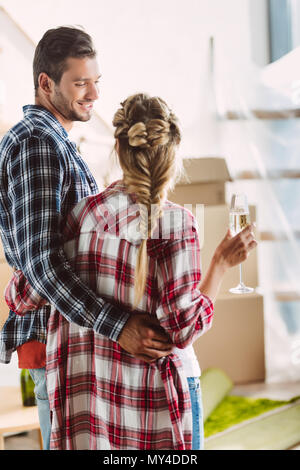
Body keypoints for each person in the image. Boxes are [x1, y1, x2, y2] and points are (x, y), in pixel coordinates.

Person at [5, 93, 257, 450]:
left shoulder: (78, 217)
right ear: (173, 152)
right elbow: (181, 328)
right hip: (154, 413)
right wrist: (220, 266)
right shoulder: (176, 224)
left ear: (119, 150)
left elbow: (21, 296)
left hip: (90, 412)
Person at [0, 28, 173, 450]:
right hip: (52, 338)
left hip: (75, 335)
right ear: (46, 83)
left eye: (96, 80)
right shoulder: (38, 143)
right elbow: (41, 262)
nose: (94, 94)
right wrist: (120, 326)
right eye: (80, 83)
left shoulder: (59, 141)